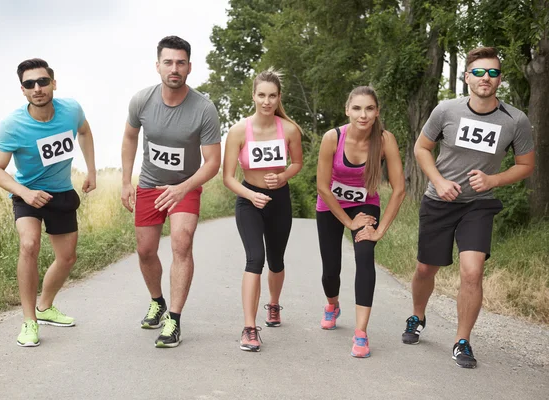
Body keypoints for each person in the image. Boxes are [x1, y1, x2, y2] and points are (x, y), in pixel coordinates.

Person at [402, 46, 535, 368]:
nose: (485, 78)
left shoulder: (515, 119)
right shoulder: (446, 110)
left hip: (479, 204)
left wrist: (494, 181)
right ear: (467, 77)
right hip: (439, 199)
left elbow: (525, 164)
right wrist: (439, 179)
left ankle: (463, 341)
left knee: (473, 272)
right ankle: (417, 315)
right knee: (425, 269)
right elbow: (422, 148)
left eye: (492, 72)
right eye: (478, 72)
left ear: (499, 79)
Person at [0, 58, 97, 347]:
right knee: (29, 245)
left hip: (61, 192)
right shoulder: (12, 125)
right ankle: (29, 321)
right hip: (28, 194)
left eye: (42, 81)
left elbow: (84, 131)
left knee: (68, 258)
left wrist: (92, 170)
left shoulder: (71, 109)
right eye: (29, 84)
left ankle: (45, 307)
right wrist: (23, 193)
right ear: (22, 90)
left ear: (53, 83)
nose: (37, 88)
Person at [121, 36, 221, 348]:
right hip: (150, 185)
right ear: (158, 66)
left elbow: (213, 163)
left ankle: (174, 320)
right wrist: (126, 181)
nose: (174, 68)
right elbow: (129, 138)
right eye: (168, 62)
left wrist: (182, 188)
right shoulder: (142, 101)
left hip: (185, 187)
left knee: (181, 243)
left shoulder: (204, 109)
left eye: (180, 62)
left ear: (189, 66)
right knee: (145, 250)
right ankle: (157, 301)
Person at [316, 86, 405, 358]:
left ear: (377, 111)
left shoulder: (385, 139)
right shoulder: (332, 138)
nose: (363, 115)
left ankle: (361, 332)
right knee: (331, 271)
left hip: (366, 204)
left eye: (369, 108)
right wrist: (348, 222)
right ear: (347, 110)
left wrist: (378, 230)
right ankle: (332, 305)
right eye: (357, 108)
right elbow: (322, 187)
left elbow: (399, 189)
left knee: (364, 256)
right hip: (331, 204)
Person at [222, 69, 303, 352]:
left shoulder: (289, 130)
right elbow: (228, 177)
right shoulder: (237, 131)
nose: (266, 101)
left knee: (276, 260)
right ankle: (249, 327)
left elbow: (297, 164)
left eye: (272, 96)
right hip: (249, 201)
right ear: (253, 96)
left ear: (279, 97)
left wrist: (283, 177)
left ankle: (274, 304)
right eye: (261, 95)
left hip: (279, 201)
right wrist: (251, 194)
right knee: (255, 258)